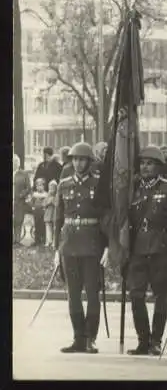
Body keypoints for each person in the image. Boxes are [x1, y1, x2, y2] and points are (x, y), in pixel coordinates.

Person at [53, 142, 109, 354]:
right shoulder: (64, 184)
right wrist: (56, 250)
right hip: (69, 245)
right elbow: (59, 219)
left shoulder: (98, 185)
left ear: (89, 162)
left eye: (82, 159)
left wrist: (107, 248)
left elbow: (106, 219)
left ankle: (90, 338)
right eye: (75, 159)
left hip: (92, 245)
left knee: (93, 294)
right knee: (73, 294)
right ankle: (78, 337)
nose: (78, 163)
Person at [126, 146, 167, 356]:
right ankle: (143, 340)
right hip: (138, 248)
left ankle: (156, 341)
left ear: (158, 167)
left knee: (160, 294)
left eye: (150, 163)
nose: (145, 167)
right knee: (136, 295)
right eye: (142, 163)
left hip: (160, 248)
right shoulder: (133, 189)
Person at [13, 154, 31, 245]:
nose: (14, 163)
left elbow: (28, 187)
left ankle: (17, 240)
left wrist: (21, 195)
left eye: (15, 162)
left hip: (19, 201)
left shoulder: (23, 174)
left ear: (18, 163)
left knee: (18, 219)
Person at [31, 178, 48, 246]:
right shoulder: (35, 194)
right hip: (36, 212)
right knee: (37, 225)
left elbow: (47, 202)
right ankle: (37, 240)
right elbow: (32, 202)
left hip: (43, 212)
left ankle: (43, 239)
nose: (39, 187)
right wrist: (33, 207)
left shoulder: (46, 194)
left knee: (43, 225)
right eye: (37, 185)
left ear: (44, 186)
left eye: (41, 185)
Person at [44, 180, 58, 247]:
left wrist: (53, 201)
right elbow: (44, 204)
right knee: (48, 227)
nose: (51, 190)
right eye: (50, 188)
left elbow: (57, 204)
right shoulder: (47, 196)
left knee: (55, 228)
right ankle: (48, 241)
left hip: (54, 214)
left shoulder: (57, 196)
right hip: (48, 214)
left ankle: (54, 242)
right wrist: (48, 202)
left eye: (53, 188)